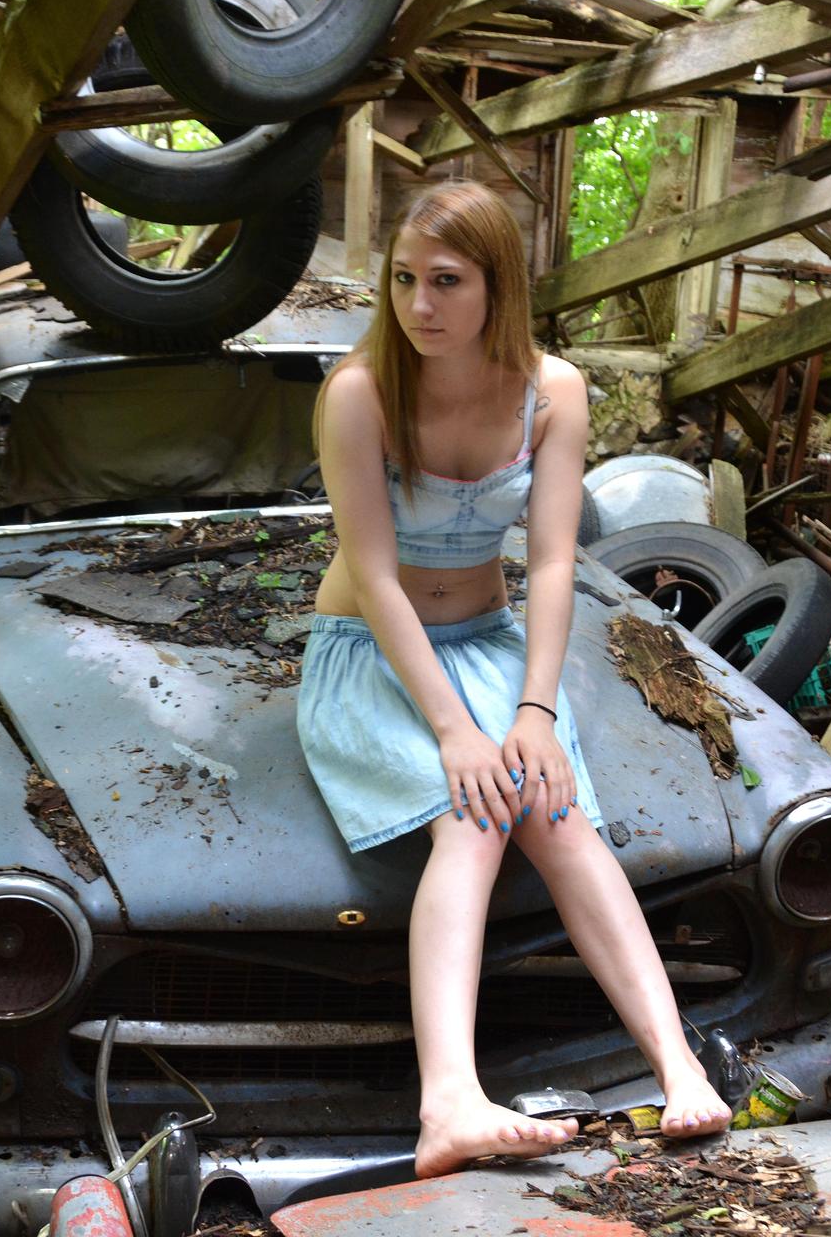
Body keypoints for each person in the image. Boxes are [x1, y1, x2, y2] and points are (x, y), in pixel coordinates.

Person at [296, 180, 731, 1180]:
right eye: (404, 279)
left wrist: (534, 709)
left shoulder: (553, 391)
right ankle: (448, 1100)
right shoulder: (360, 391)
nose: (419, 304)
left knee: (559, 815)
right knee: (477, 811)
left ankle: (678, 1067)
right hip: (372, 652)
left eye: (447, 281)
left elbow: (554, 561)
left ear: (499, 287)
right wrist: (457, 731)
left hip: (491, 643)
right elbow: (374, 574)